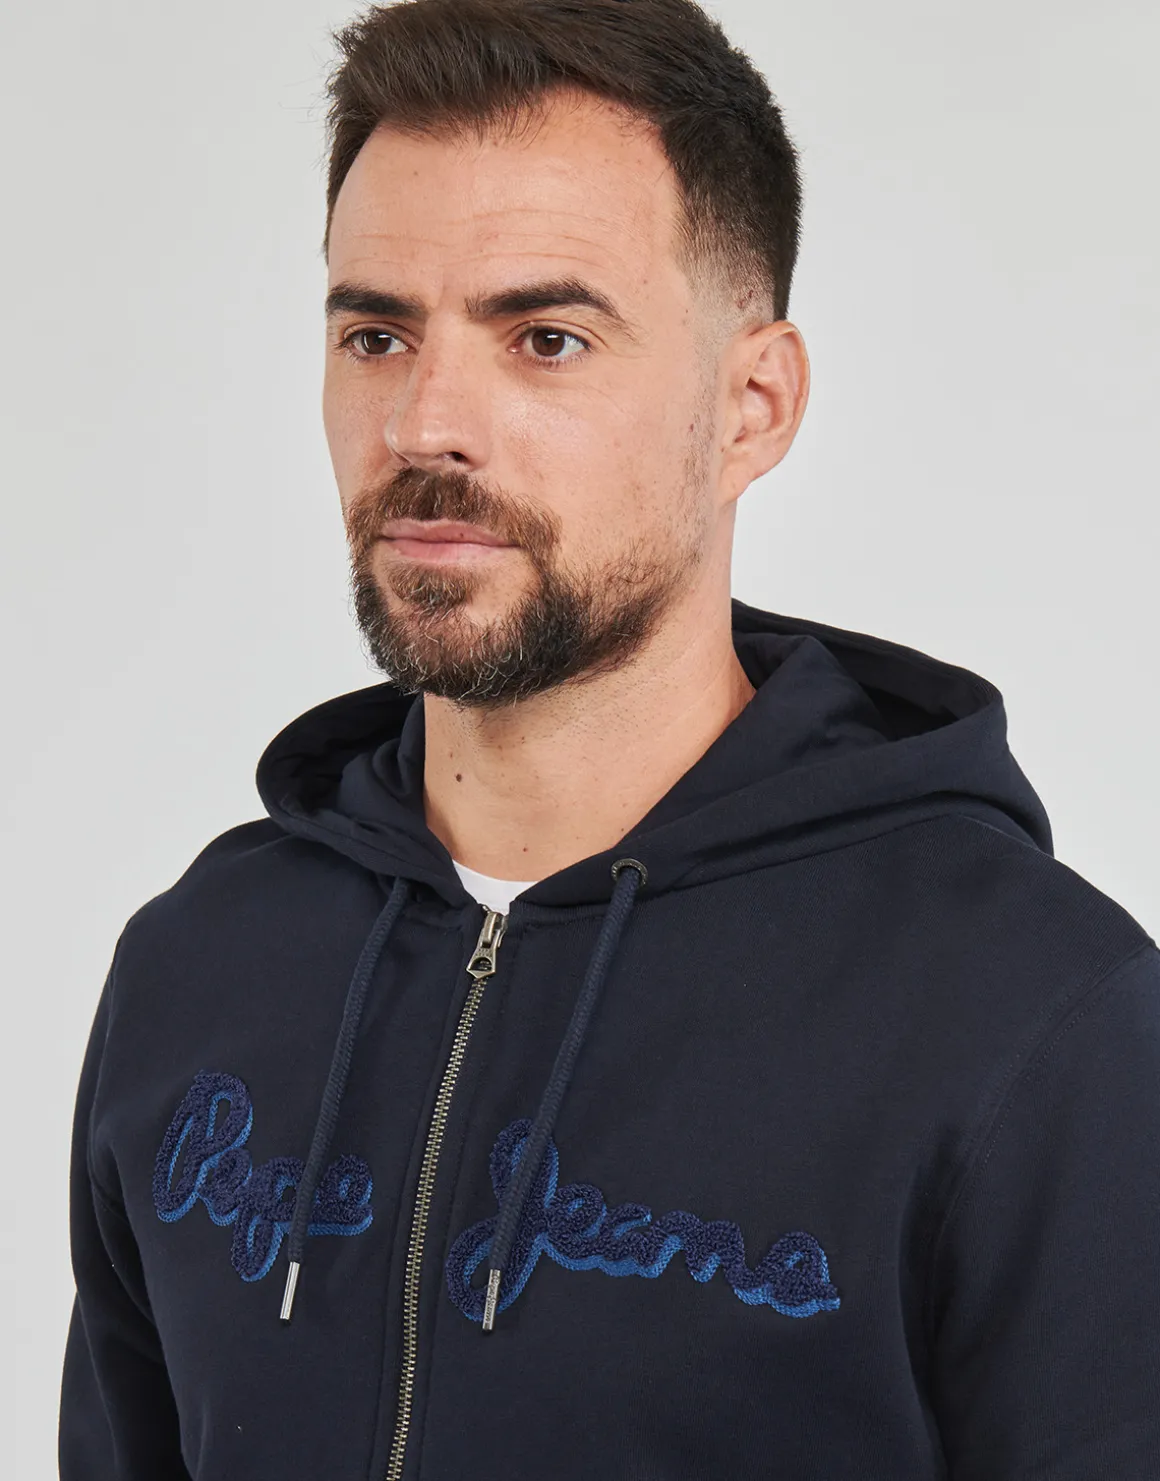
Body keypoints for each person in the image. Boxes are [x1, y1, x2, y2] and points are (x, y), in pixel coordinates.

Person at [59, 0, 1160, 1476]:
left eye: (547, 339)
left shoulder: (1033, 1017)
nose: (426, 424)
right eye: (377, 334)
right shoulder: (196, 968)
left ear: (751, 405)